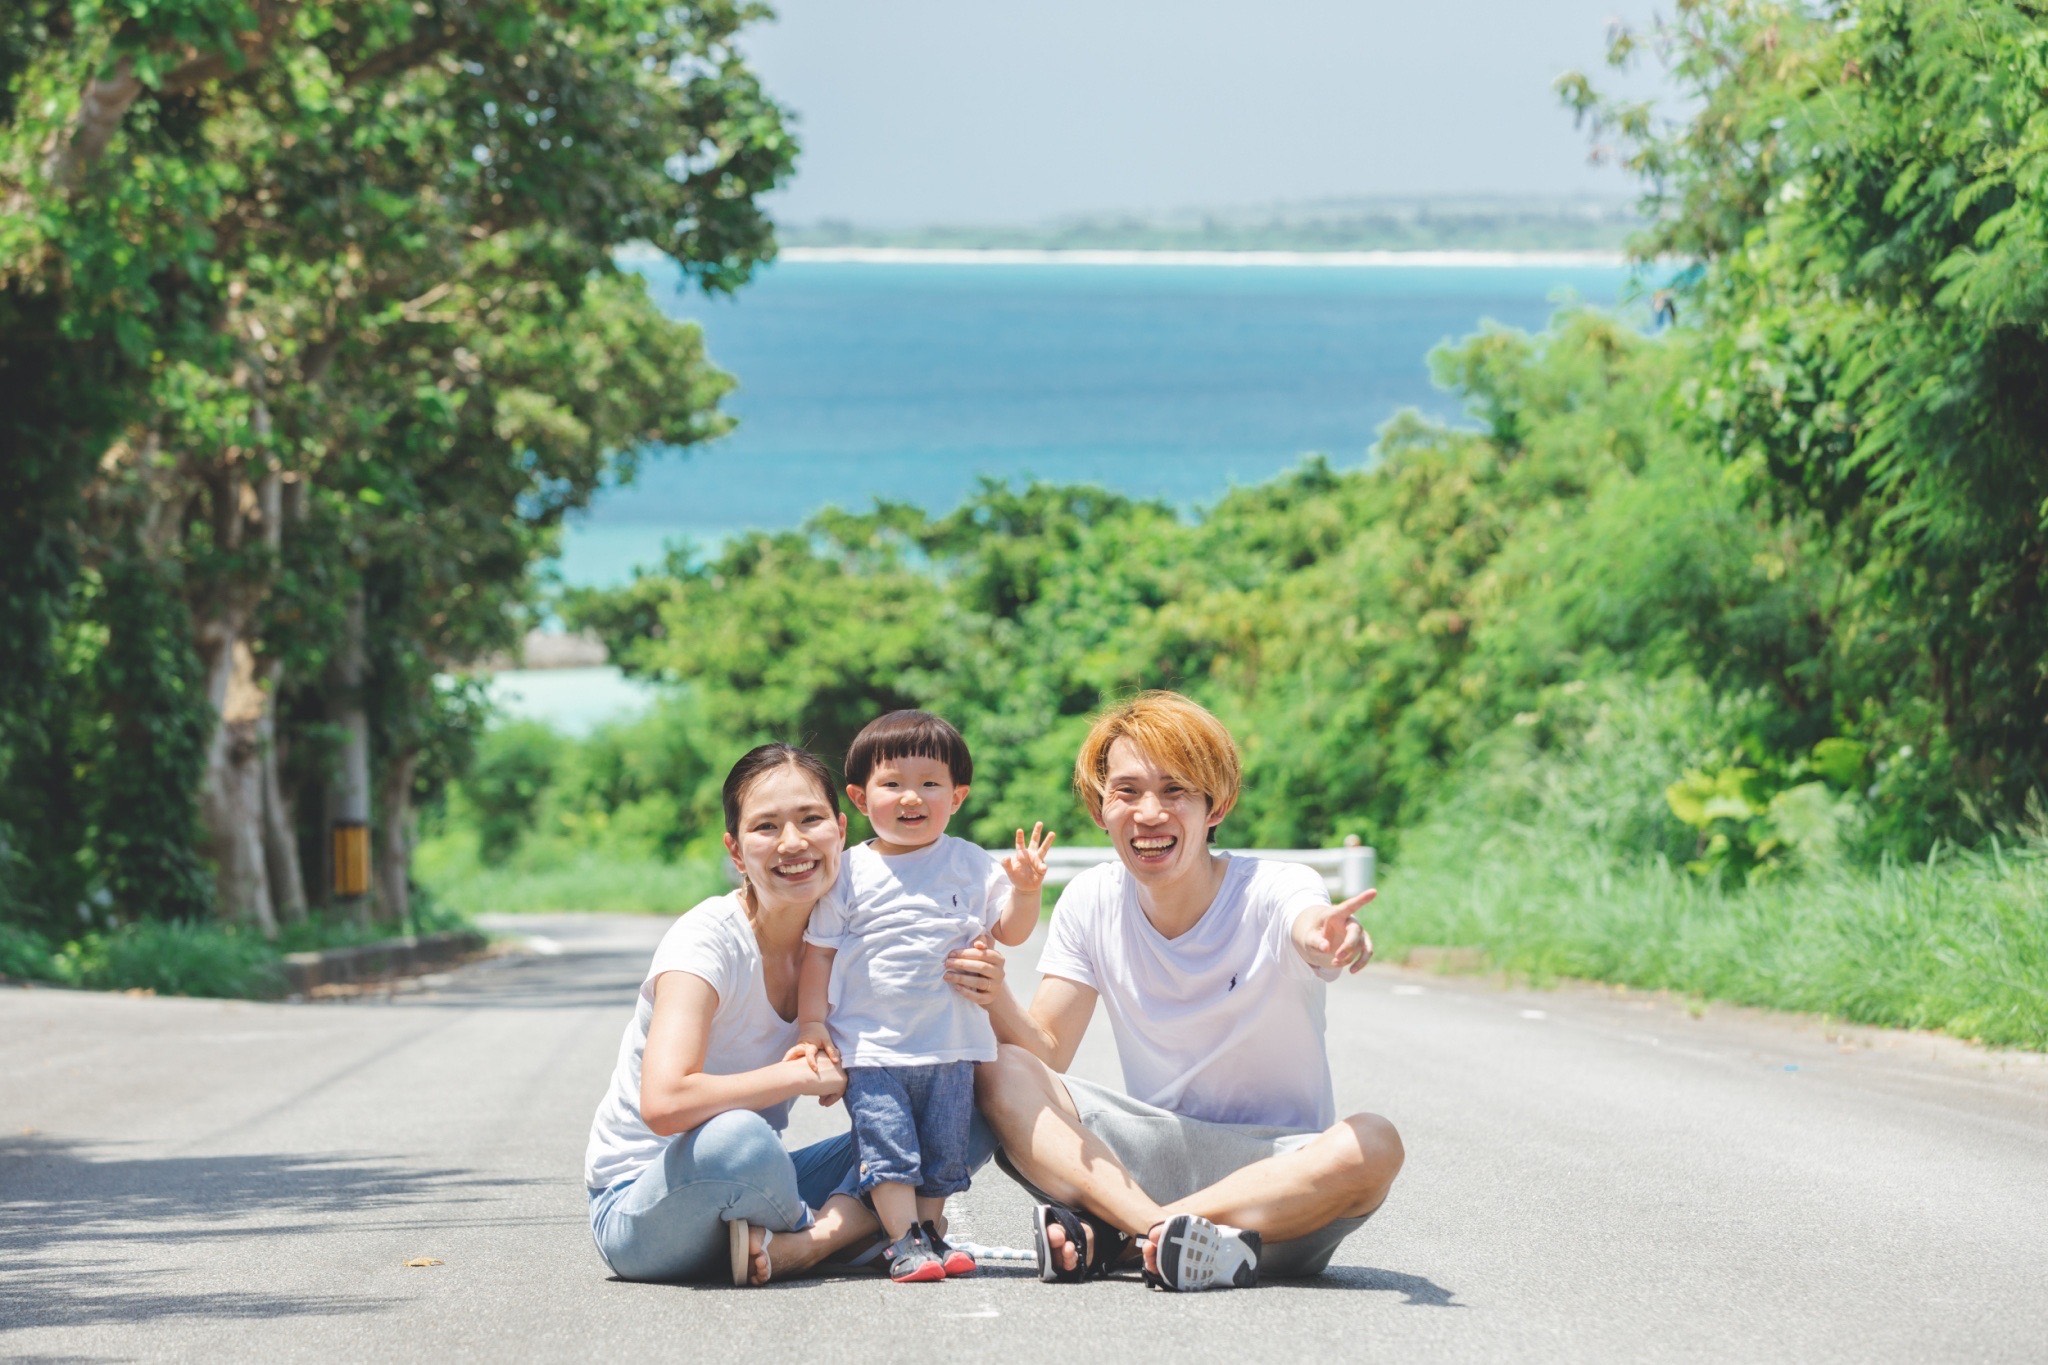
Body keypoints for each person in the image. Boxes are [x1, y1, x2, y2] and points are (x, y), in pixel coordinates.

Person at [966, 690, 1404, 1291]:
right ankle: (1159, 1234)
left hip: (1275, 1185)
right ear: (1100, 809)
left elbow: (1307, 923)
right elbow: (1044, 1054)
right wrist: (993, 995)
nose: (1149, 813)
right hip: (1146, 1157)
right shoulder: (1092, 900)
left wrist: (1327, 939)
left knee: (1375, 1145)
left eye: (1175, 790)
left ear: (1215, 804)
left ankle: (1125, 1236)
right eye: (1127, 792)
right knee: (1000, 1069)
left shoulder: (1276, 887)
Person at [583, 742, 1001, 1286]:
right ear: (736, 852)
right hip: (646, 1202)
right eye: (765, 828)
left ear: (841, 831)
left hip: (762, 1183)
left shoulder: (855, 937)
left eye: (810, 819)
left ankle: (793, 1245)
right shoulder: (705, 943)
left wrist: (992, 987)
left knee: (968, 1104)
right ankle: (835, 1238)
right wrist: (797, 1075)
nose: (793, 843)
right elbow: (664, 1103)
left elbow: (990, 1044)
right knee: (740, 1139)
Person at [795, 709, 1055, 1282]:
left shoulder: (967, 862)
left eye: (930, 783)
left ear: (957, 796)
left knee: (942, 1152)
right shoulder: (848, 872)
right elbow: (819, 953)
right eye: (893, 784)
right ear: (861, 800)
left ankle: (933, 1235)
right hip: (873, 1049)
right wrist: (813, 1024)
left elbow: (1009, 930)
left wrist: (1026, 889)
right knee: (887, 1150)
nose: (912, 797)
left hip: (951, 1043)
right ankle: (901, 1241)